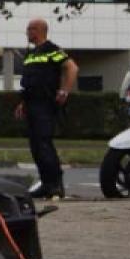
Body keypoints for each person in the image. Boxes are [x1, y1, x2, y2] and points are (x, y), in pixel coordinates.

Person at [18, 18, 77, 199]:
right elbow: (29, 82)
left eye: (30, 29)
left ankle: (55, 185)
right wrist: (22, 104)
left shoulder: (51, 50)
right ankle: (45, 183)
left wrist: (65, 91)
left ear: (39, 30)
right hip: (31, 105)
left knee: (44, 145)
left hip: (45, 104)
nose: (27, 32)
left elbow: (72, 68)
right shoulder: (31, 54)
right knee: (35, 146)